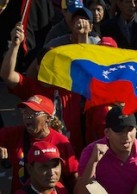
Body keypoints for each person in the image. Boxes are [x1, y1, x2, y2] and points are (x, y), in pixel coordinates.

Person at [1, 22, 86, 156]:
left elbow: (84, 66)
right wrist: (15, 45)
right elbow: (7, 75)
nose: (52, 69)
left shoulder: (70, 85)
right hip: (41, 156)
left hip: (71, 152)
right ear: (38, 67)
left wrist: (82, 36)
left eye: (55, 64)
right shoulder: (31, 87)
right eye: (47, 64)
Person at [0, 95, 78, 194]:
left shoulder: (61, 142)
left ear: (48, 119)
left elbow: (73, 175)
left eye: (33, 113)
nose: (27, 116)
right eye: (25, 112)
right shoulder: (16, 134)